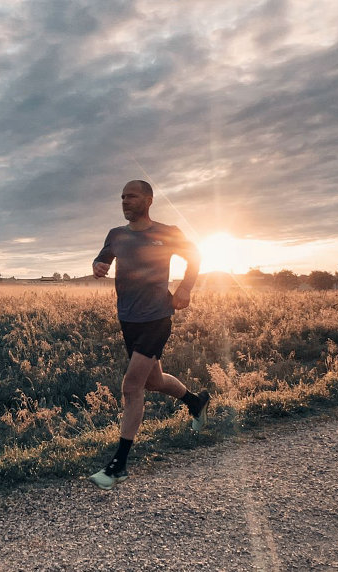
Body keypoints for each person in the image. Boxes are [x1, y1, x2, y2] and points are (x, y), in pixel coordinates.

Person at [88, 179, 210, 490]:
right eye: (122, 197)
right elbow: (102, 259)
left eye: (132, 196)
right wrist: (98, 266)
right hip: (128, 319)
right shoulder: (116, 235)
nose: (125, 201)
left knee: (131, 387)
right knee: (153, 381)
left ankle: (118, 465)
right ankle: (195, 402)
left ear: (149, 200)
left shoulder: (167, 233)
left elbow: (195, 257)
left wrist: (185, 288)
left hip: (157, 316)